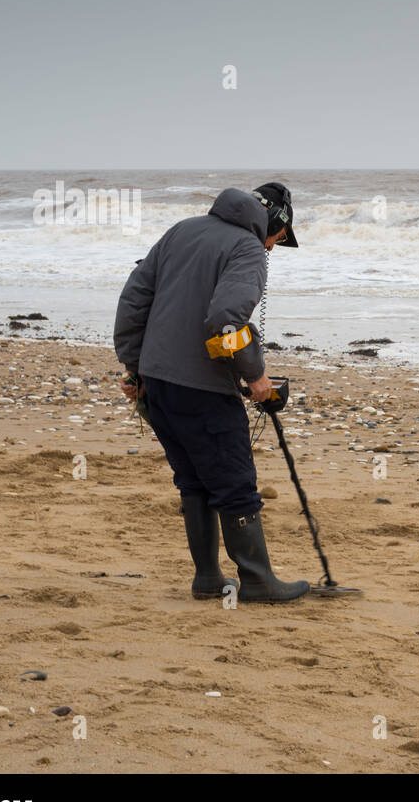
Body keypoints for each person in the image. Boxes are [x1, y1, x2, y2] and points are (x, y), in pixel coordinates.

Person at [113, 182, 310, 602]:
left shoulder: (181, 231)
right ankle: (257, 581)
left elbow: (133, 301)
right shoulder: (248, 249)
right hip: (201, 388)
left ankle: (207, 578)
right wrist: (255, 376)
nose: (274, 249)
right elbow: (225, 319)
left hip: (159, 384)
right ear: (274, 223)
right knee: (234, 481)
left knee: (195, 479)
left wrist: (135, 370)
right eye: (278, 238)